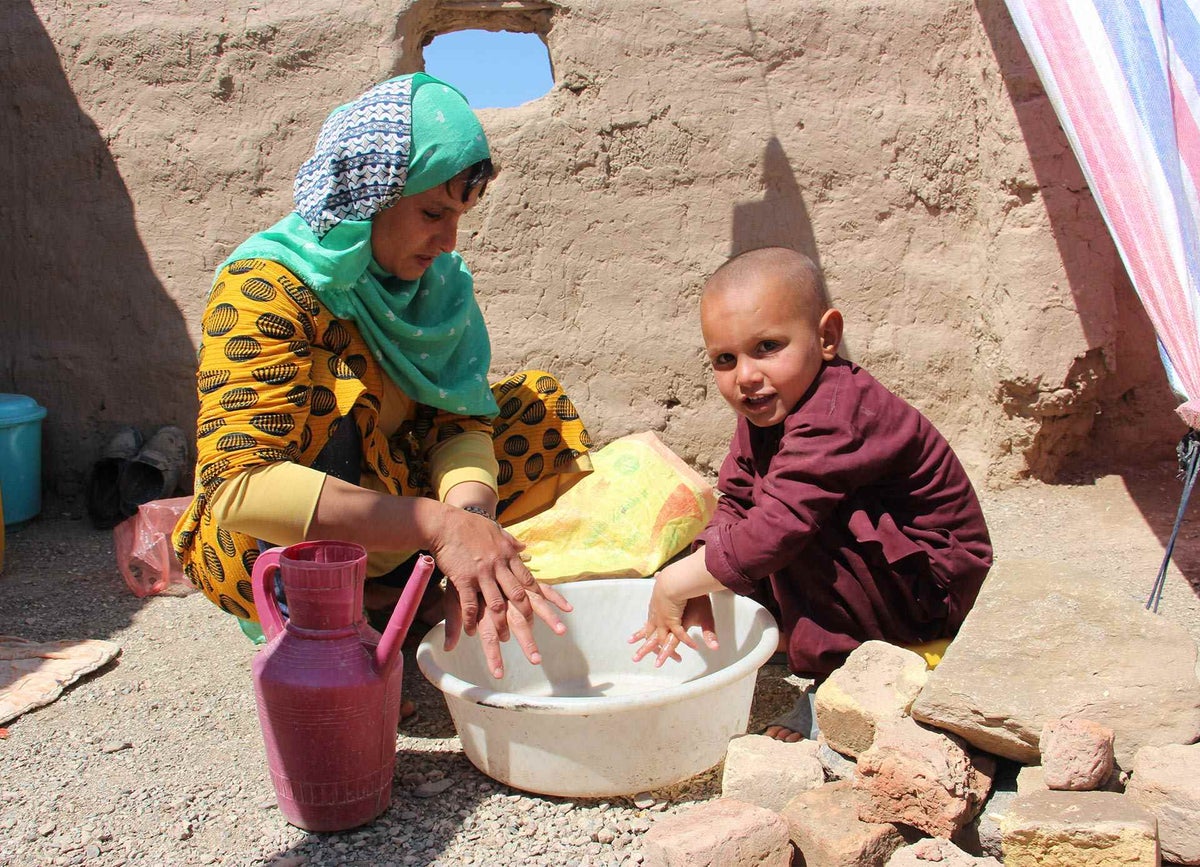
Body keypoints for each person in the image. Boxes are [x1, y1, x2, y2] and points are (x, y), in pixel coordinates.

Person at [172, 74, 593, 680]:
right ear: (367, 195)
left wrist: (469, 520)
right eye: (431, 212)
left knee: (537, 407)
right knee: (339, 400)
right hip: (278, 536)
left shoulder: (438, 286)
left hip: (395, 507)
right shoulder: (265, 288)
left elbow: (459, 419)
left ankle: (411, 590)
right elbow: (240, 486)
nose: (447, 241)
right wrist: (438, 525)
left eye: (459, 217)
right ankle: (315, 610)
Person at [630, 246, 992, 739]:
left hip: (933, 587)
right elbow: (735, 498)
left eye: (767, 347)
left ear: (826, 337)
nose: (746, 377)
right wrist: (701, 570)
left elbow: (779, 525)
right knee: (742, 535)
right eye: (725, 359)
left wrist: (674, 582)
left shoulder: (838, 411)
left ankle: (840, 685)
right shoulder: (769, 410)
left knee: (792, 529)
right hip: (896, 572)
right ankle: (805, 633)